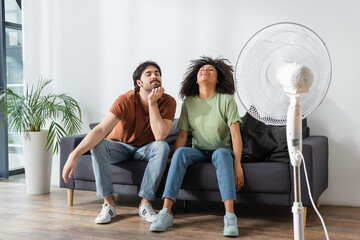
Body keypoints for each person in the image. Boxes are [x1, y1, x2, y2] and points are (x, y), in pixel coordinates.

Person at [62, 61, 176, 224]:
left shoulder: (168, 102)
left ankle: (145, 204)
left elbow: (160, 136)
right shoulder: (126, 100)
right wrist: (73, 155)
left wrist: (152, 103)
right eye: (149, 74)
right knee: (99, 144)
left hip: (146, 149)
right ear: (139, 83)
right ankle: (108, 204)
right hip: (120, 147)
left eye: (157, 73)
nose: (154, 76)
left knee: (162, 146)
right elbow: (100, 130)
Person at [149, 56, 244, 237]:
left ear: (218, 79)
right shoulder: (189, 102)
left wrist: (237, 164)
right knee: (180, 153)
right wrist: (176, 162)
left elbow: (235, 135)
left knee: (224, 154)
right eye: (202, 70)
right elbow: (183, 135)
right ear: (195, 78)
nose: (205, 71)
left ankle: (230, 216)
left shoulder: (226, 100)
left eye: (211, 70)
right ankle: (166, 213)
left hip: (220, 151)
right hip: (198, 151)